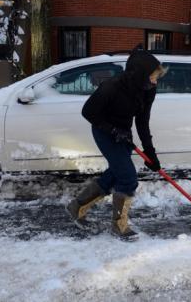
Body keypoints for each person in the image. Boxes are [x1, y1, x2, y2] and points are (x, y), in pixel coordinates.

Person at [66, 47, 167, 241]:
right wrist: (113, 131)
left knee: (116, 173)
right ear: (139, 75)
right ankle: (119, 226)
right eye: (152, 77)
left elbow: (142, 122)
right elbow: (88, 112)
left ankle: (76, 207)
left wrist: (150, 153)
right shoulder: (111, 87)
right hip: (104, 131)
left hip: (123, 133)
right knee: (128, 178)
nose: (155, 81)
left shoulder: (148, 90)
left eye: (156, 77)